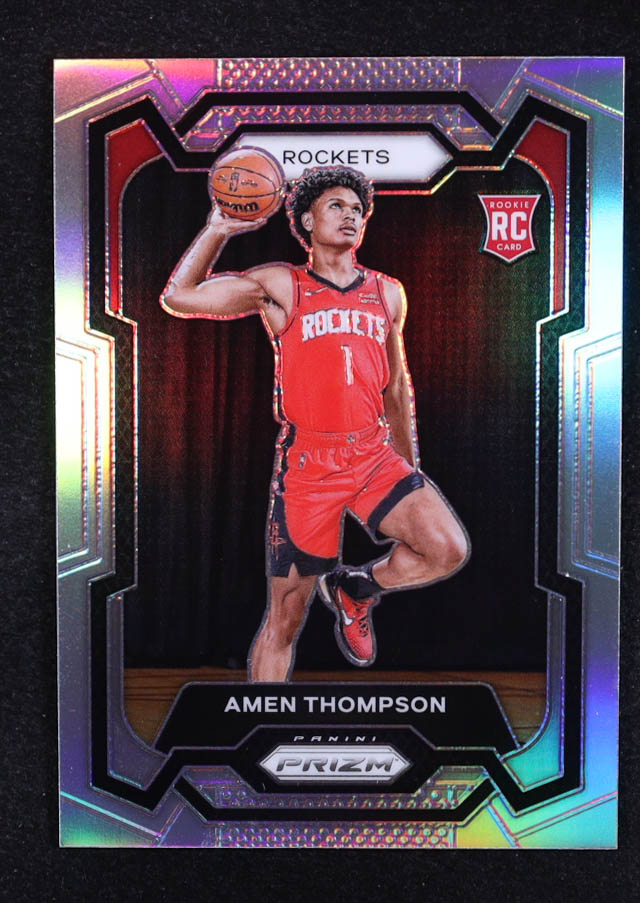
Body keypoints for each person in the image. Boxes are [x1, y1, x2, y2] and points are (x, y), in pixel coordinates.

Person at [162, 164, 469, 682]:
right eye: (337, 206)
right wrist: (218, 229)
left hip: (372, 454)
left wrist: (408, 470)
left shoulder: (388, 292)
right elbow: (180, 296)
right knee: (285, 618)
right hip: (309, 465)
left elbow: (396, 386)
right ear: (307, 219)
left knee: (447, 550)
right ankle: (261, 721)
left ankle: (357, 588)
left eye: (358, 210)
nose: (351, 216)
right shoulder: (282, 284)